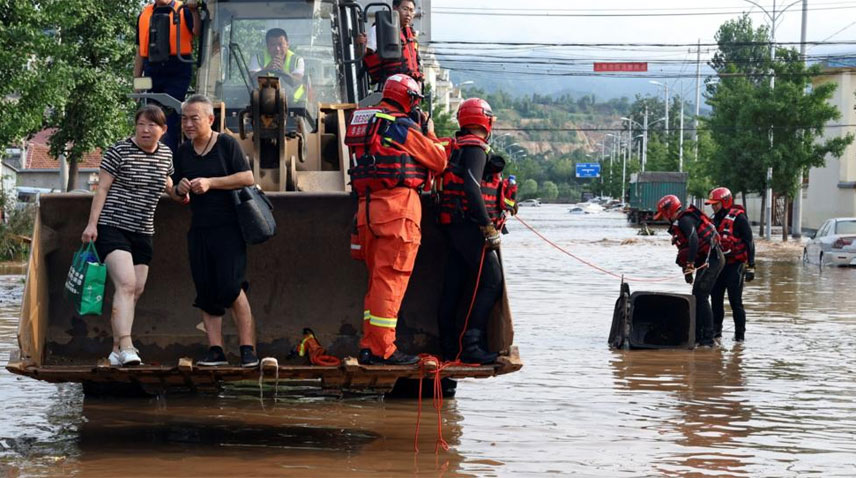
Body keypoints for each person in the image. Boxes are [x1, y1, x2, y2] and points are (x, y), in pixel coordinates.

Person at [345, 74, 447, 365]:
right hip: (397, 211)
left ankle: (369, 345)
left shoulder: (365, 122)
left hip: (367, 211)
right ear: (408, 99)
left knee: (377, 283)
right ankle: (382, 349)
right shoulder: (401, 126)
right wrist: (429, 132)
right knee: (390, 282)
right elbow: (438, 160)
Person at [81, 105, 182, 366]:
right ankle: (127, 346)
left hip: (143, 231)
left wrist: (180, 193)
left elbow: (167, 184)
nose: (145, 130)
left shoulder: (166, 155)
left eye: (152, 125)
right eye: (141, 124)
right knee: (125, 284)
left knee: (136, 290)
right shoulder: (119, 151)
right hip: (113, 226)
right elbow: (102, 189)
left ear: (163, 130)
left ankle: (116, 350)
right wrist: (92, 225)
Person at [172, 94, 259, 368]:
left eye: (194, 118)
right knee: (206, 290)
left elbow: (247, 177)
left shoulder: (226, 144)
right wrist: (179, 189)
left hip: (228, 227)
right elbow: (175, 191)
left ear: (210, 119)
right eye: (184, 119)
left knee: (231, 287)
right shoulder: (183, 152)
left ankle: (248, 349)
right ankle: (216, 351)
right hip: (199, 228)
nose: (188, 124)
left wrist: (211, 182)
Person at [436, 98, 514, 364]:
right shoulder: (475, 149)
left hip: (455, 226)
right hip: (469, 227)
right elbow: (472, 188)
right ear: (487, 121)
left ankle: (448, 347)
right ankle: (471, 345)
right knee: (493, 280)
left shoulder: (459, 147)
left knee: (455, 283)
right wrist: (488, 226)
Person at [655, 194, 724, 348]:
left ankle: (708, 340)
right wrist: (687, 271)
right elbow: (687, 248)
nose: (663, 219)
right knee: (697, 295)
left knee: (701, 296)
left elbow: (694, 240)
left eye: (663, 215)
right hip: (707, 260)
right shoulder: (681, 222)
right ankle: (699, 336)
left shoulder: (685, 220)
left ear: (669, 211)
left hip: (713, 258)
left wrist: (690, 264)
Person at [135, 0, 201, 153]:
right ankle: (149, 155)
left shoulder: (184, 10)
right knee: (149, 116)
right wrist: (137, 83)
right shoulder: (144, 14)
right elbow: (140, 52)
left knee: (168, 116)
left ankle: (167, 157)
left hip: (177, 70)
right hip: (152, 70)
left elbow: (197, 32)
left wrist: (194, 12)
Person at [706, 187, 755, 343]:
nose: (713, 207)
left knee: (735, 302)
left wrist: (751, 266)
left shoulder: (739, 218)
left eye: (716, 204)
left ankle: (739, 337)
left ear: (725, 202)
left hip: (735, 266)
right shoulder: (713, 220)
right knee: (716, 299)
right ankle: (716, 333)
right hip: (718, 266)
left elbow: (749, 242)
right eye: (712, 204)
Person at [360, 0, 423, 89]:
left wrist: (419, 82)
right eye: (405, 9)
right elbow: (364, 53)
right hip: (389, 86)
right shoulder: (379, 29)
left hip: (409, 88)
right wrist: (360, 44)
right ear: (395, 9)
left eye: (411, 10)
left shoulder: (411, 35)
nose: (408, 14)